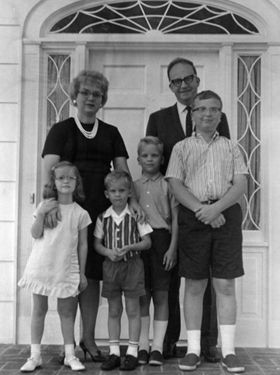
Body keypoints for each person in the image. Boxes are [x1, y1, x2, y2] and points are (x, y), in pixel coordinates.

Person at [41, 70, 143, 363]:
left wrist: (133, 200)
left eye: (96, 94)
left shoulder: (110, 132)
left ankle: (88, 337)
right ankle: (68, 343)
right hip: (66, 211)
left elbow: (122, 171)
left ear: (103, 100)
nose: (90, 98)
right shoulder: (60, 130)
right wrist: (49, 207)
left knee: (91, 275)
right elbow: (48, 172)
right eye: (85, 92)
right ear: (74, 97)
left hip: (100, 211)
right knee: (68, 273)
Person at [146, 57, 231, 362]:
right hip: (171, 211)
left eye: (188, 79)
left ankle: (206, 343)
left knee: (203, 278)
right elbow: (153, 159)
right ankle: (167, 342)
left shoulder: (214, 115)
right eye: (176, 81)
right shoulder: (158, 118)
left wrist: (216, 206)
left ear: (197, 79)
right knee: (168, 278)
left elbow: (225, 163)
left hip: (208, 209)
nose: (183, 85)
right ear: (170, 86)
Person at [166, 90, 247, 372]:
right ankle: (193, 349)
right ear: (193, 114)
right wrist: (203, 210)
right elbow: (175, 183)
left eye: (214, 110)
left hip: (226, 216)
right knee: (195, 284)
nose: (208, 114)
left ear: (221, 115)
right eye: (201, 109)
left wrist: (217, 209)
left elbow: (239, 185)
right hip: (194, 217)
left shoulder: (232, 147)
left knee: (225, 284)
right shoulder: (181, 148)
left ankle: (229, 351)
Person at [18, 161, 91, 372]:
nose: (66, 181)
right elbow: (35, 233)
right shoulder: (45, 207)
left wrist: (82, 274)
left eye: (70, 177)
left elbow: (83, 244)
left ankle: (70, 355)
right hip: (41, 265)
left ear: (77, 182)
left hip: (65, 267)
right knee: (38, 310)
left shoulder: (80, 213)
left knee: (67, 312)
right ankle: (35, 356)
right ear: (54, 182)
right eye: (61, 177)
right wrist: (41, 213)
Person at [94, 170, 153, 371]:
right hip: (111, 267)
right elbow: (97, 244)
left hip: (133, 266)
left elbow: (147, 242)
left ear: (129, 192)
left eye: (122, 190)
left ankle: (132, 352)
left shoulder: (136, 215)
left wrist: (129, 247)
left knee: (133, 309)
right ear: (106, 194)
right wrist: (109, 252)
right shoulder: (103, 217)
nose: (117, 195)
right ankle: (113, 353)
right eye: (113, 191)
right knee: (114, 310)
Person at [134, 136, 178, 366]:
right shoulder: (132, 187)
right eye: (145, 155)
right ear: (138, 159)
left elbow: (176, 219)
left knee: (161, 294)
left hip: (162, 241)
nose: (149, 159)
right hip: (140, 242)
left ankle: (157, 347)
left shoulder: (169, 185)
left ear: (162, 159)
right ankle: (142, 346)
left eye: (154, 155)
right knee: (143, 295)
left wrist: (172, 248)